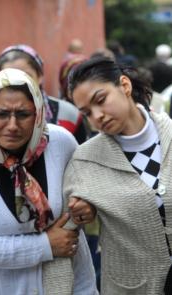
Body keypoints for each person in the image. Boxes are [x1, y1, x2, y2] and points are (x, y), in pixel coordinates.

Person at [0, 68, 97, 294]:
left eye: (23, 114)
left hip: (70, 285)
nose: (13, 125)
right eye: (2, 114)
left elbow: (86, 194)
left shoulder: (60, 143)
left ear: (38, 113)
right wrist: (46, 246)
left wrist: (89, 205)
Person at [66, 56, 172, 294]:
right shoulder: (86, 161)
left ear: (124, 85)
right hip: (131, 287)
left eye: (100, 100)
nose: (97, 117)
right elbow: (65, 235)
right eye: (87, 113)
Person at [0, 44, 88, 143]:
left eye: (26, 76)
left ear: (40, 76)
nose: (17, 83)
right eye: (8, 78)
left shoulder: (68, 114)